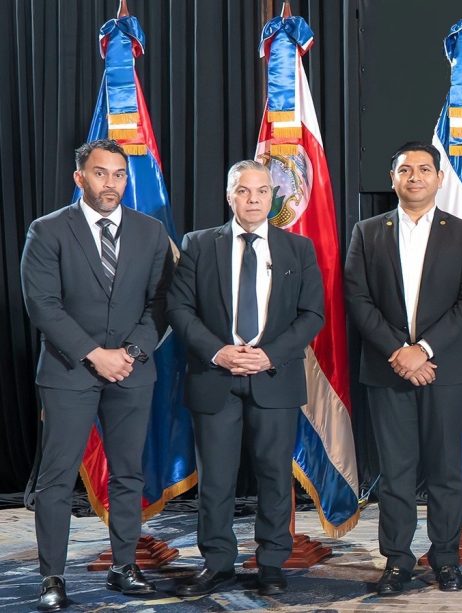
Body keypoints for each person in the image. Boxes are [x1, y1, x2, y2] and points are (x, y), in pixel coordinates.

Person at [20, 139, 171, 611]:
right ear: (80, 177)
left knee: (128, 473)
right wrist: (93, 354)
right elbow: (42, 305)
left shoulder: (150, 231)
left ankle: (124, 566)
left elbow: (161, 304)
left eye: (119, 175)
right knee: (57, 478)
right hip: (68, 372)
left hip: (131, 371)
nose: (111, 184)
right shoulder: (47, 230)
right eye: (101, 173)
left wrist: (130, 352)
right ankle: (52, 577)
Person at [165, 161, 324, 597]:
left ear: (273, 197)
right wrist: (217, 351)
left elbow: (312, 314)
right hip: (214, 376)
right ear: (229, 196)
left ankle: (271, 563)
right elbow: (179, 308)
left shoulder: (298, 249)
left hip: (274, 376)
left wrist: (269, 354)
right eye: (243, 191)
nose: (253, 199)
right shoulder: (199, 244)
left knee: (274, 475)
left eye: (261, 191)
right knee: (216, 478)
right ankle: (217, 564)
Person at [344, 142, 462, 594]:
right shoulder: (367, 232)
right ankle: (397, 560)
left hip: (447, 369)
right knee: (396, 472)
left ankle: (446, 558)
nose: (415, 177)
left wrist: (422, 350)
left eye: (425, 169)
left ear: (439, 178)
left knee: (446, 470)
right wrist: (398, 352)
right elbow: (357, 299)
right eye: (405, 169)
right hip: (386, 370)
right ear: (393, 179)